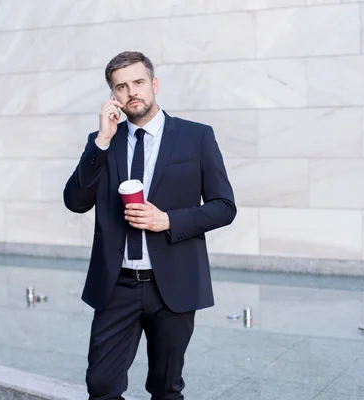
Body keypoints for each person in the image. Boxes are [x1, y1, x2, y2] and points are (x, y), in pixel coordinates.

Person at [63, 51, 236, 400]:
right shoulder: (102, 143)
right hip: (117, 286)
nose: (132, 92)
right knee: (101, 385)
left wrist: (168, 220)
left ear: (154, 84)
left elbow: (224, 207)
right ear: (114, 96)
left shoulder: (196, 137)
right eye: (121, 86)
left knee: (165, 388)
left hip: (172, 285)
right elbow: (76, 201)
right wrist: (100, 141)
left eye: (138, 82)